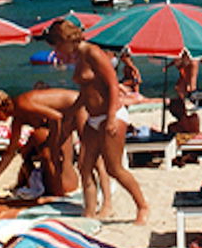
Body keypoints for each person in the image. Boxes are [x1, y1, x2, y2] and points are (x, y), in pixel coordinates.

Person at [44, 19, 149, 224]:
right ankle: (89, 213)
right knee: (84, 166)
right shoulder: (79, 56)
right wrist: (71, 113)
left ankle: (142, 206)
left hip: (112, 114)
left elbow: (112, 85)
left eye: (56, 45)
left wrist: (110, 117)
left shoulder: (93, 52)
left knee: (114, 168)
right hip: (93, 117)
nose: (56, 50)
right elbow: (86, 92)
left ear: (65, 40)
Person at [0, 87, 82, 196]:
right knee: (30, 147)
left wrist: (54, 148)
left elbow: (57, 117)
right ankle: (53, 186)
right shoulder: (18, 118)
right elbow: (11, 150)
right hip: (66, 120)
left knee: (42, 143)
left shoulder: (22, 104)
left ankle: (58, 191)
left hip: (80, 107)